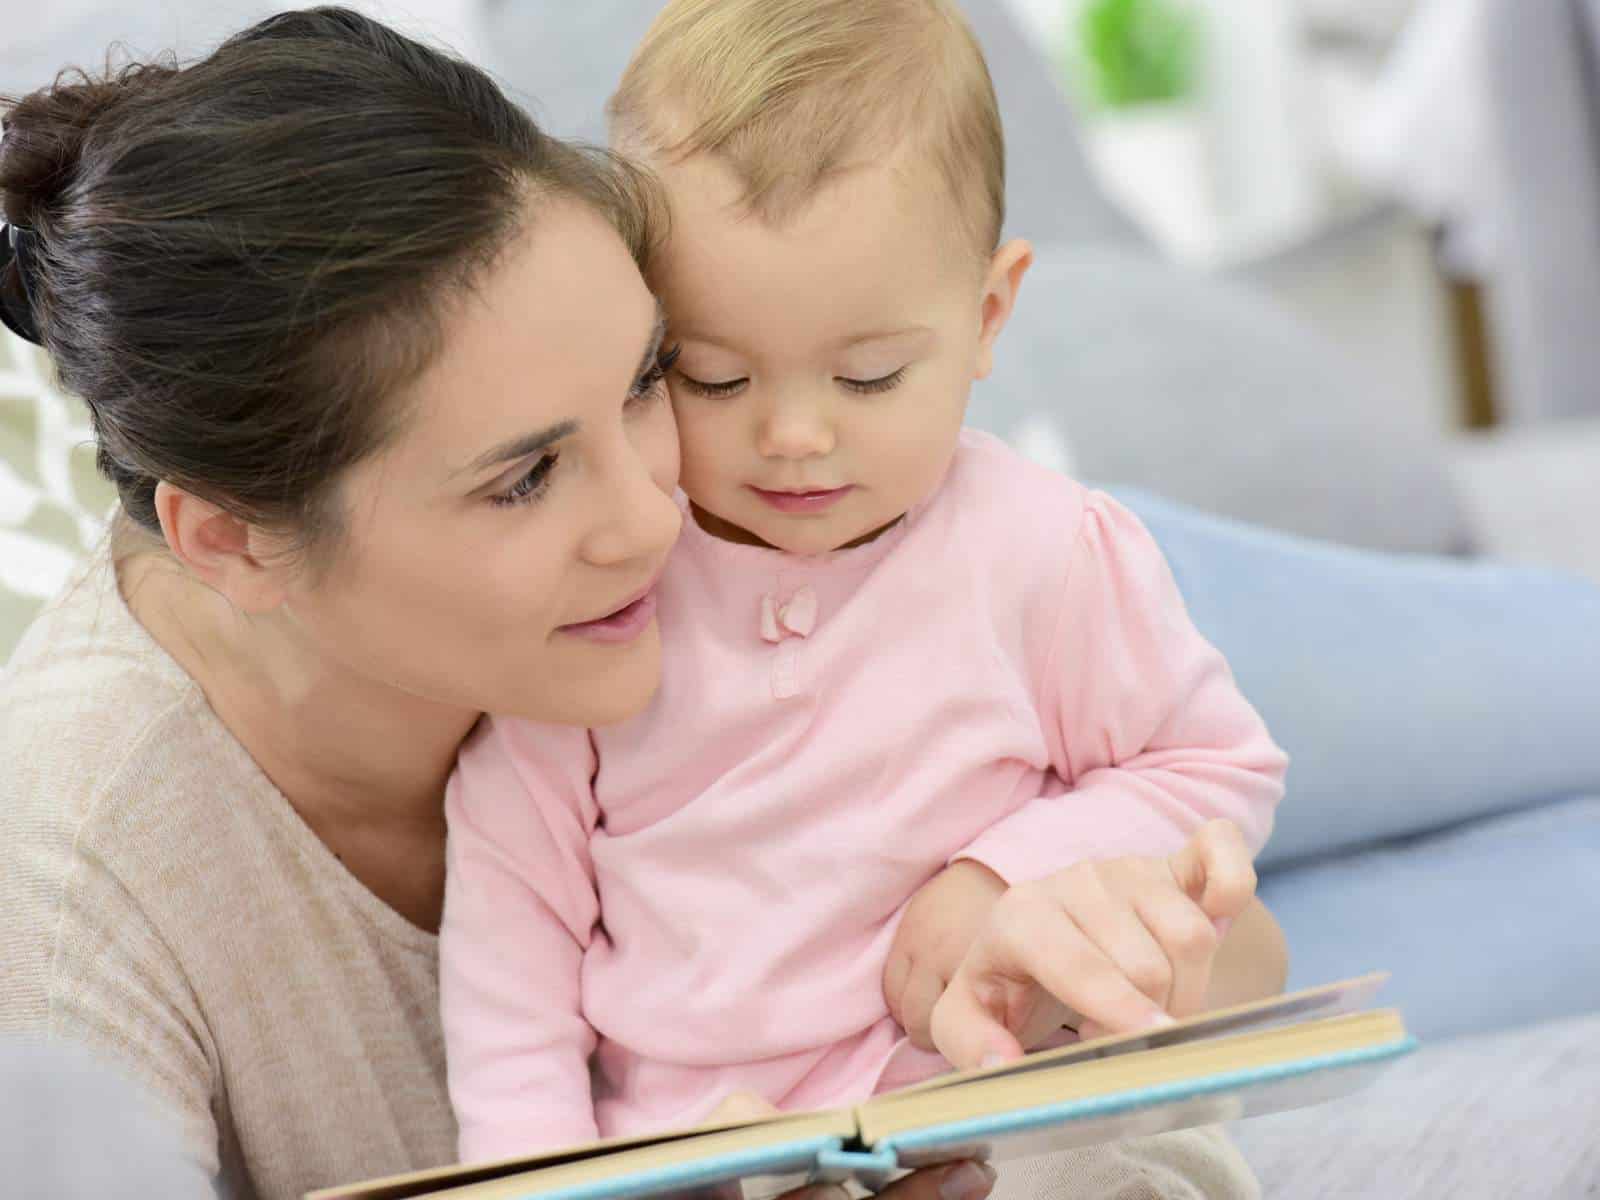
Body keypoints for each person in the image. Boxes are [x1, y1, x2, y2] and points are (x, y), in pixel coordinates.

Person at [0, 8, 1263, 1198]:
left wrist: (1054, 901)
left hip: (1028, 599)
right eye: (528, 476)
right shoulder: (70, 906)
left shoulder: (808, 516)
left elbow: (1230, 910)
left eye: (655, 374)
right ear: (230, 541)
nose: (666, 521)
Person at [439, 0, 1288, 1164]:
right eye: (716, 379)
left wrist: (1006, 869)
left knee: (1146, 1162)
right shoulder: (610, 587)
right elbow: (510, 951)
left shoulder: (1039, 551)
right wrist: (541, 1173)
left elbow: (1214, 769)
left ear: (988, 315)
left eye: (871, 376)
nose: (793, 436)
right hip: (712, 1156)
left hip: (999, 1115)